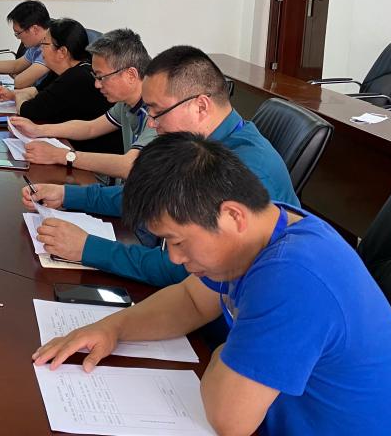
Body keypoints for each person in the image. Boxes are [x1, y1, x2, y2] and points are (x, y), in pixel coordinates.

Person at [34, 133, 391, 436]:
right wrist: (112, 328)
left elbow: (230, 420)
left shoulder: (295, 276)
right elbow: (191, 301)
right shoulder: (261, 226)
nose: (174, 258)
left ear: (232, 216)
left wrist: (228, 348)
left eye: (177, 241)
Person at [23, 45, 299, 286]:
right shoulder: (199, 145)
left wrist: (87, 248)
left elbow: (182, 269)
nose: (152, 124)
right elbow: (149, 197)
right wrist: (67, 195)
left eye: (157, 111)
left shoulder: (246, 168)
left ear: (201, 106)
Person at [8, 28, 154, 180]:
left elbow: (129, 165)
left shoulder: (157, 114)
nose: (97, 84)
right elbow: (91, 128)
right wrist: (37, 130)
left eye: (101, 77)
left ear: (131, 75)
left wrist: (62, 156)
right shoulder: (125, 103)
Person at [3, 18, 121, 154]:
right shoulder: (65, 70)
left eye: (44, 44)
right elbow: (36, 91)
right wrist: (17, 95)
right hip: (72, 145)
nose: (41, 49)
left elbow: (28, 111)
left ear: (62, 52)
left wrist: (20, 95)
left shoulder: (77, 77)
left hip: (91, 154)